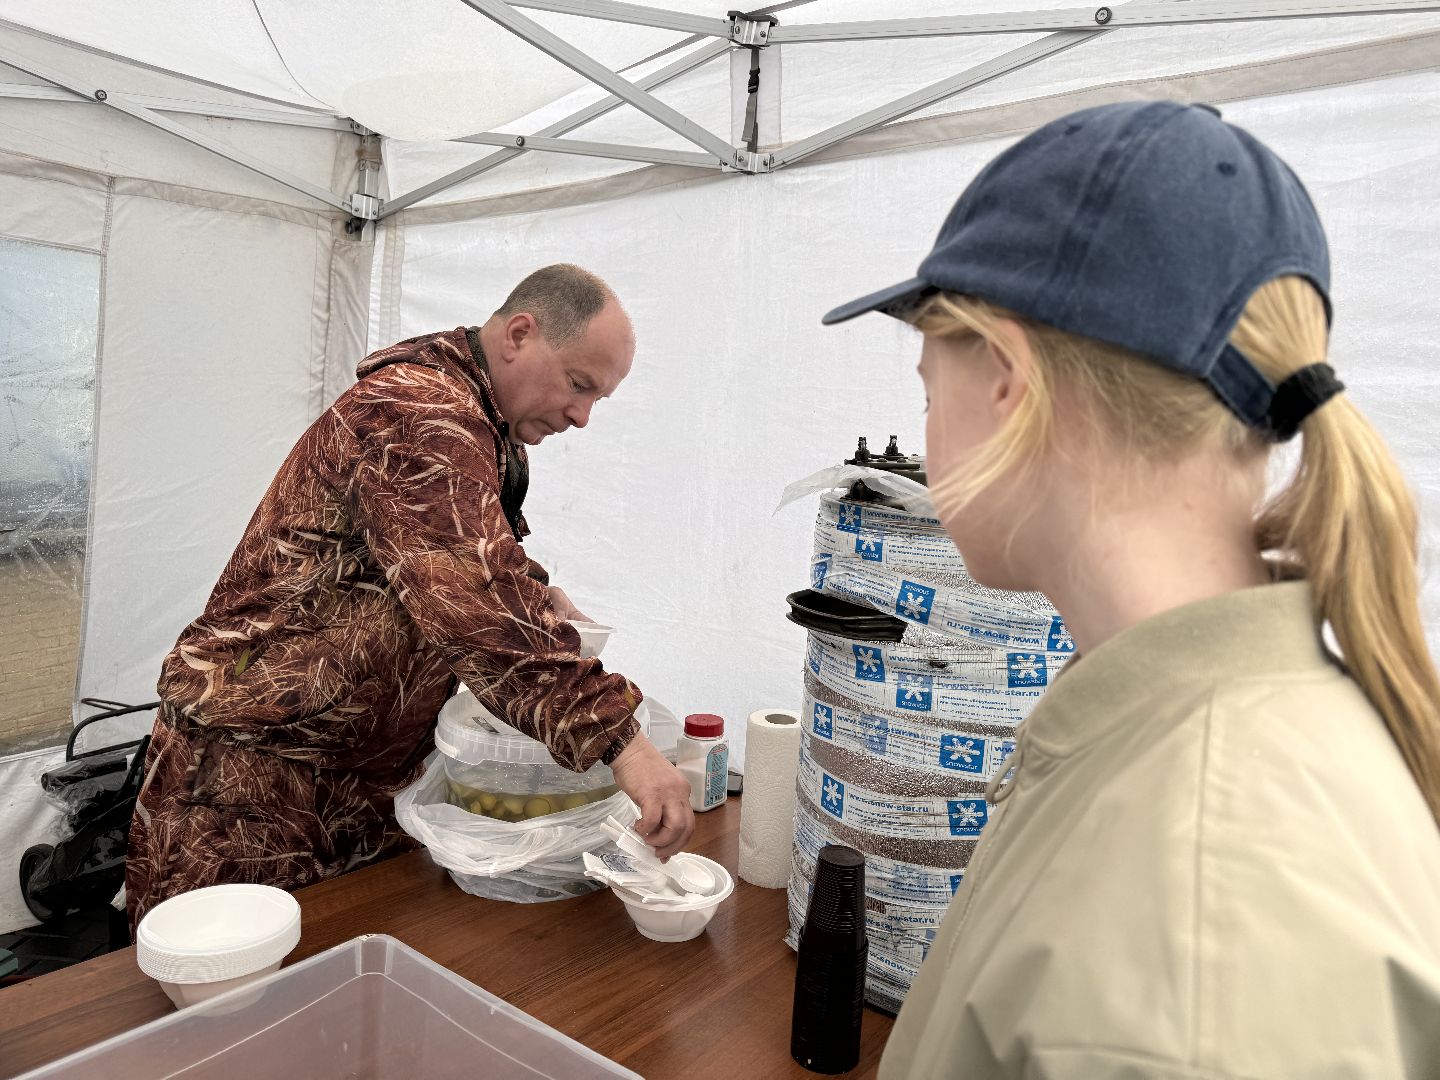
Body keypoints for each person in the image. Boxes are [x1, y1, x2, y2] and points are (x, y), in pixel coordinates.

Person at [824, 102, 1440, 1078]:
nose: (925, 428)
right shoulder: (1165, 736)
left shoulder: (1204, 922)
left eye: (925, 386)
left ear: (1008, 381)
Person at [126, 264, 693, 928]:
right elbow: (473, 599)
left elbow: (438, 559)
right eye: (579, 384)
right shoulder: (419, 414)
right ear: (518, 334)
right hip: (250, 784)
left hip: (353, 779)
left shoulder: (480, 429)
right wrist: (623, 741)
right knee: (223, 1000)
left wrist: (537, 593)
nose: (582, 416)